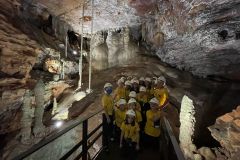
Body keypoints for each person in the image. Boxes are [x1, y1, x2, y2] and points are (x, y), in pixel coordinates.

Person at [102, 83, 114, 151]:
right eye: (108, 88)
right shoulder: (104, 97)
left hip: (111, 114)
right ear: (105, 89)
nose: (109, 89)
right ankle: (105, 146)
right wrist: (107, 117)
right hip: (106, 115)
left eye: (110, 88)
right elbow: (104, 108)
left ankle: (109, 141)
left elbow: (112, 106)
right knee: (105, 131)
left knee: (110, 128)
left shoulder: (110, 97)